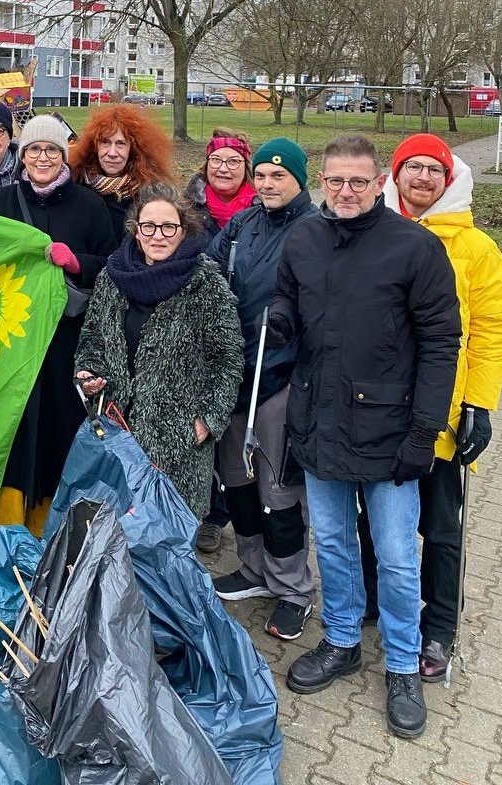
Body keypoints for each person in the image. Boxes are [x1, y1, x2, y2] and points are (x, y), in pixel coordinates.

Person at [270, 134, 461, 738]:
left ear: (380, 183)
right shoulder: (303, 237)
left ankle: (403, 665)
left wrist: (425, 432)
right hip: (320, 423)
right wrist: (278, 318)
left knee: (400, 559)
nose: (346, 192)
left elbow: (440, 343)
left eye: (358, 181)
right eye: (335, 181)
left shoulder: (416, 247)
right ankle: (344, 639)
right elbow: (287, 297)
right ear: (321, 183)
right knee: (331, 543)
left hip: (390, 431)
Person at [355, 134, 502, 680]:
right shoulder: (369, 232)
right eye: (412, 167)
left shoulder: (476, 249)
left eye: (433, 170)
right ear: (395, 175)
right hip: (377, 410)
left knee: (442, 527)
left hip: (442, 415)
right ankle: (374, 601)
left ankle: (439, 626)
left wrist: (481, 403)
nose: (422, 178)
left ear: (448, 180)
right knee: (372, 519)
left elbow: (493, 330)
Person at [205, 138, 318, 640]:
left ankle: (294, 587)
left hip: (283, 378)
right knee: (238, 480)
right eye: (263, 176)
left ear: (299, 180)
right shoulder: (242, 224)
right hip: (234, 372)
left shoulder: (315, 230)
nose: (269, 184)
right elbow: (206, 273)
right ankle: (255, 569)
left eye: (280, 177)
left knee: (279, 491)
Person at [74, 183, 243, 517]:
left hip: (178, 441)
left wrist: (207, 421)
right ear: (136, 231)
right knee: (117, 535)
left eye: (169, 227)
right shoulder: (113, 277)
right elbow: (92, 340)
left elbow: (228, 360)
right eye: (148, 226)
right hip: (117, 431)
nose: (158, 235)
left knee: (169, 545)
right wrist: (89, 376)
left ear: (184, 231)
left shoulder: (206, 283)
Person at [0, 115, 117, 532]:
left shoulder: (89, 205)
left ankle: (50, 524)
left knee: (58, 427)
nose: (43, 158)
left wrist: (77, 262)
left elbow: (112, 264)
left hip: (65, 341)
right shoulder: (1, 202)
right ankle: (6, 525)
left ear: (64, 156)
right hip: (12, 341)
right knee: (13, 428)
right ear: (22, 156)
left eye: (52, 151)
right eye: (34, 150)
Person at [69, 104, 174, 240]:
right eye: (105, 142)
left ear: (133, 150)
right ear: (94, 147)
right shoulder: (76, 184)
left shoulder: (150, 192)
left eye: (121, 144)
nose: (112, 153)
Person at [184, 128, 256, 238]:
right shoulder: (186, 209)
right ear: (207, 165)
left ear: (246, 167)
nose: (223, 168)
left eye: (233, 161)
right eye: (216, 160)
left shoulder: (263, 210)